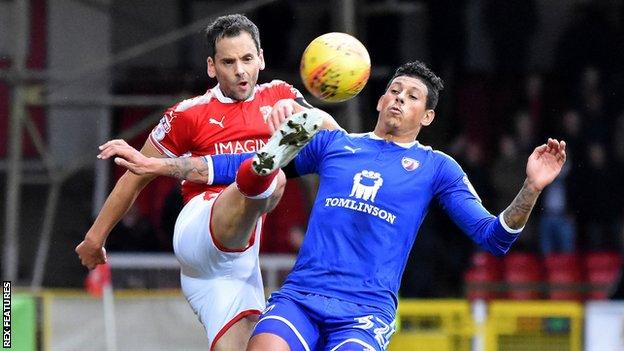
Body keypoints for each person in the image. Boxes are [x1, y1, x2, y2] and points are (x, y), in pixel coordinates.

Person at [101, 61, 567, 351]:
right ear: (380, 98)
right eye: (395, 90)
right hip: (301, 297)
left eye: (413, 97)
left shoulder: (437, 168)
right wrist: (156, 166)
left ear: (427, 117)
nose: (400, 98)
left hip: (364, 311)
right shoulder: (334, 146)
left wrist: (530, 187)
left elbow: (495, 238)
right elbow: (238, 168)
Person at [75, 14, 337, 351]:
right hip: (200, 229)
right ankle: (262, 167)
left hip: (233, 273)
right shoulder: (188, 113)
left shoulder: (280, 96)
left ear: (261, 57)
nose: (240, 70)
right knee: (273, 178)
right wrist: (95, 238)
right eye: (229, 62)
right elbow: (136, 175)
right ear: (212, 67)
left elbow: (336, 144)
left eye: (246, 59)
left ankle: (263, 168)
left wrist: (315, 116)